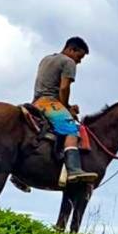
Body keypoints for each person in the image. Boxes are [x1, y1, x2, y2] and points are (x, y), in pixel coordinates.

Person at [33, 37, 97, 183]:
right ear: (71, 50)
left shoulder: (46, 58)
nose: (79, 61)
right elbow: (64, 88)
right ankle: (73, 170)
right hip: (49, 102)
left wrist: (66, 106)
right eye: (79, 56)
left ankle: (20, 177)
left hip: (36, 102)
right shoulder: (68, 62)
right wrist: (67, 108)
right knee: (71, 129)